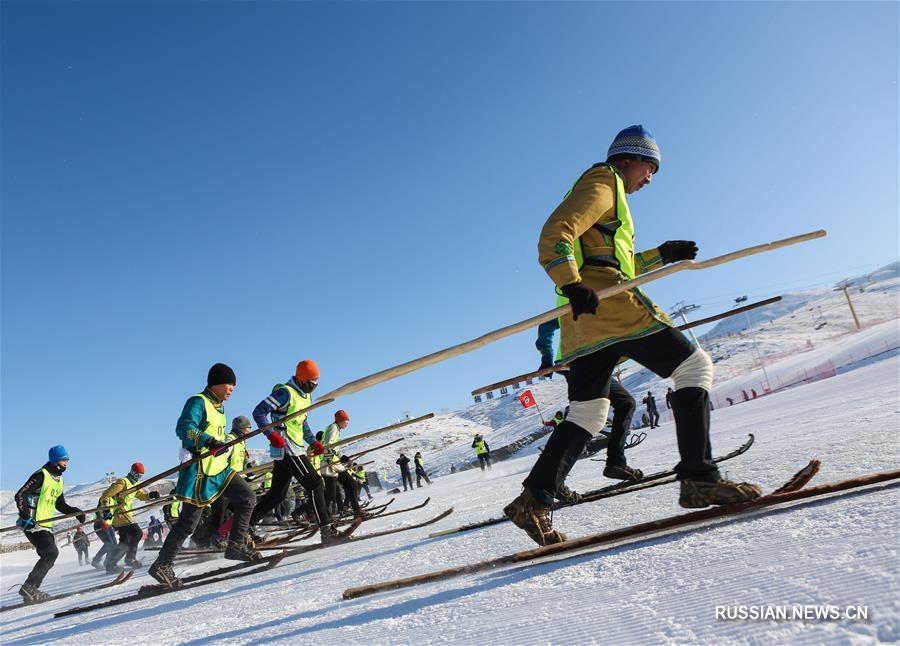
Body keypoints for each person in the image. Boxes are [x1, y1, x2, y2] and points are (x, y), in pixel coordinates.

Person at [504, 125, 760, 546]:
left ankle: (533, 499)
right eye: (650, 167)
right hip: (608, 304)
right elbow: (556, 232)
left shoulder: (612, 196)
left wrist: (661, 255)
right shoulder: (605, 181)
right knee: (695, 366)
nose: (651, 178)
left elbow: (610, 259)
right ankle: (699, 477)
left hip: (583, 320)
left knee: (589, 412)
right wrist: (570, 282)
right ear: (630, 159)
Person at [149, 363, 261, 588]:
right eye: (230, 384)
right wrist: (207, 441)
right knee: (188, 523)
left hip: (219, 469)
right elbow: (184, 427)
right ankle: (162, 564)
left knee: (248, 497)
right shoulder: (198, 401)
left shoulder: (219, 407)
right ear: (217, 383)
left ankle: (236, 545)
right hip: (200, 472)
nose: (232, 389)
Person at [248, 360, 338, 544]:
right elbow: (259, 412)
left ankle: (245, 526)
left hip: (294, 447)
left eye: (316, 382)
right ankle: (326, 529)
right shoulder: (285, 393)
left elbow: (302, 423)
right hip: (287, 447)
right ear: (302, 379)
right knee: (315, 485)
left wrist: (313, 442)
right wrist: (271, 434)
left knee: (277, 494)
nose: (314, 386)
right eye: (312, 382)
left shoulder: (305, 396)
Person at [14, 445, 86, 603]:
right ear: (55, 460)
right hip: (32, 524)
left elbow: (60, 504)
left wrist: (75, 512)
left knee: (50, 554)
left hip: (45, 525)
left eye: (67, 460)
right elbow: (20, 494)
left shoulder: (59, 480)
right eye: (63, 460)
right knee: (51, 553)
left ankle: (30, 589)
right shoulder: (41, 475)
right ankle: (29, 588)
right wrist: (25, 516)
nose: (66, 464)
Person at [191, 415, 252, 548]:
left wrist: (248, 470)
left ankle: (223, 536)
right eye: (248, 428)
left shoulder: (241, 442)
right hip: (224, 482)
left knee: (237, 510)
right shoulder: (230, 440)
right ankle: (201, 539)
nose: (249, 431)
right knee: (220, 514)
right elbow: (222, 457)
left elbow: (241, 461)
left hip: (235, 482)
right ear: (241, 428)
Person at [99, 462, 159, 572]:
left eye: (140, 476)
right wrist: (107, 512)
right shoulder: (123, 482)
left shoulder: (135, 484)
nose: (137, 478)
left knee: (125, 541)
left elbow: (140, 495)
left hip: (126, 514)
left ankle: (111, 564)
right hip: (120, 514)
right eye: (136, 475)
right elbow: (106, 495)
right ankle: (130, 558)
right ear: (132, 472)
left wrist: (150, 495)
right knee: (137, 532)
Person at [317, 410, 364, 517]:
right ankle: (325, 516)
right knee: (344, 487)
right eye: (346, 421)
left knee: (335, 491)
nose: (347, 423)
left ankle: (326, 514)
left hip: (332, 463)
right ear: (340, 420)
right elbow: (329, 444)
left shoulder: (335, 428)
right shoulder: (333, 427)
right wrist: (340, 455)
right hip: (330, 464)